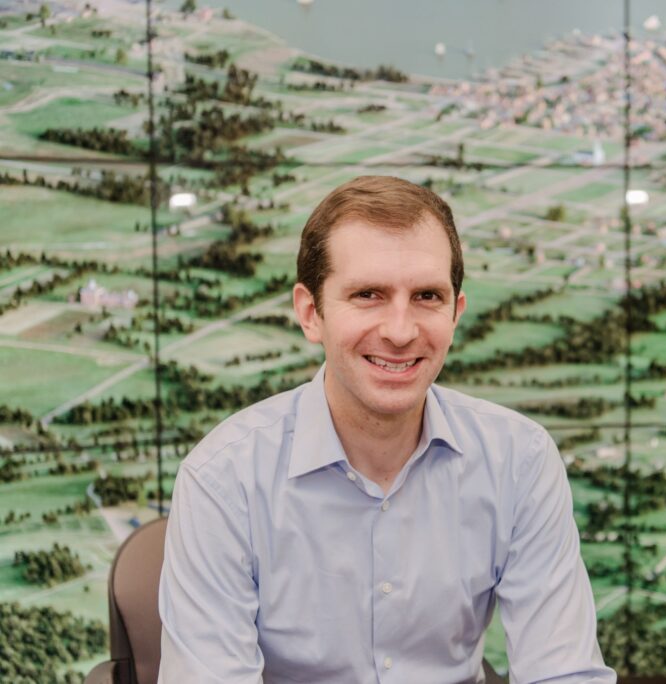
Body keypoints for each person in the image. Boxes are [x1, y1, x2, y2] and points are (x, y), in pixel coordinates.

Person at [158, 175, 615, 683]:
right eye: (368, 294)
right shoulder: (223, 480)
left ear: (456, 314)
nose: (400, 331)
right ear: (311, 314)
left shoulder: (520, 460)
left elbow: (564, 673)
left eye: (426, 296)